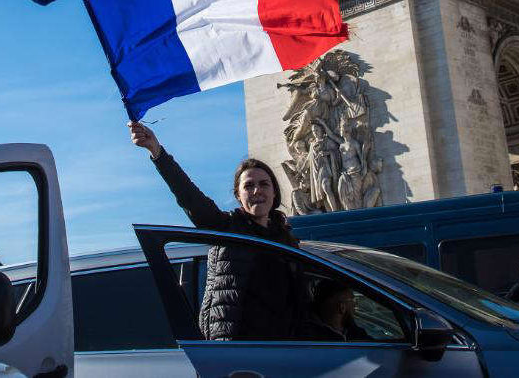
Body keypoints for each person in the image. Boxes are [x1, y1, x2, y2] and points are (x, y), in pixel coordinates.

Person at [129, 121, 298, 341]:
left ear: (275, 193)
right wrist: (157, 152)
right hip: (239, 351)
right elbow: (189, 196)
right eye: (248, 186)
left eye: (264, 184)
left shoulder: (289, 241)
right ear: (238, 195)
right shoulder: (226, 229)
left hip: (290, 350)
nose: (257, 190)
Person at [299, 281, 371, 341]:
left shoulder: (353, 330)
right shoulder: (311, 336)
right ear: (342, 307)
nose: (355, 305)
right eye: (352, 300)